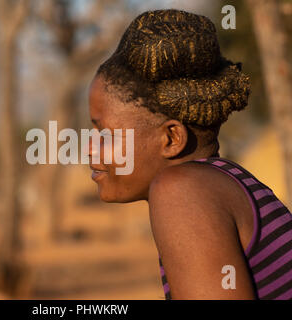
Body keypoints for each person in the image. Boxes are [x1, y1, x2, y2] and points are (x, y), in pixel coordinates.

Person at [88, 9, 292, 300]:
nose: (90, 148)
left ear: (171, 138)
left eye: (105, 134)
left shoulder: (182, 191)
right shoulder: (224, 181)